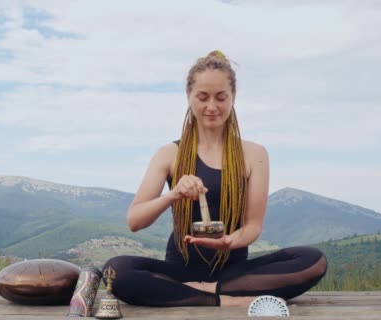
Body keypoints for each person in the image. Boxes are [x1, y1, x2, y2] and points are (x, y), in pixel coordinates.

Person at [103, 51, 327, 307]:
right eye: (203, 97)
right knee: (116, 270)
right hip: (181, 271)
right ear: (189, 97)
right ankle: (223, 300)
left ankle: (202, 292)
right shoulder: (169, 154)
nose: (212, 106)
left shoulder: (255, 155)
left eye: (221, 97)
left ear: (233, 98)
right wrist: (174, 194)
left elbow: (253, 225)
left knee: (313, 259)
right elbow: (135, 220)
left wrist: (232, 241)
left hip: (234, 272)